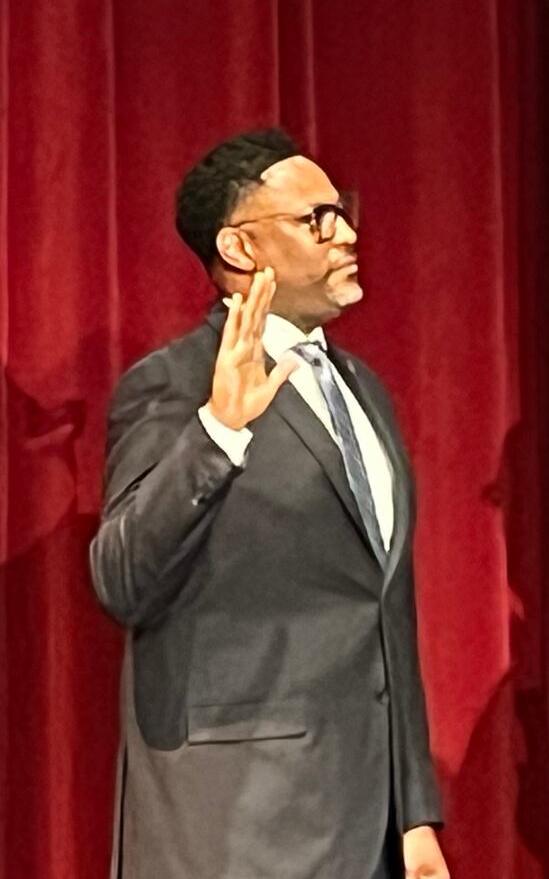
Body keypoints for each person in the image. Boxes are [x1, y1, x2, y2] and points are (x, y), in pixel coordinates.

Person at [90, 130, 449, 879]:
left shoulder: (364, 391)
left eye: (342, 213)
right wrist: (219, 430)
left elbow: (386, 610)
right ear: (241, 247)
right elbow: (122, 577)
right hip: (237, 829)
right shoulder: (174, 384)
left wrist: (413, 815)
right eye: (316, 219)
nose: (346, 233)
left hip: (367, 832)